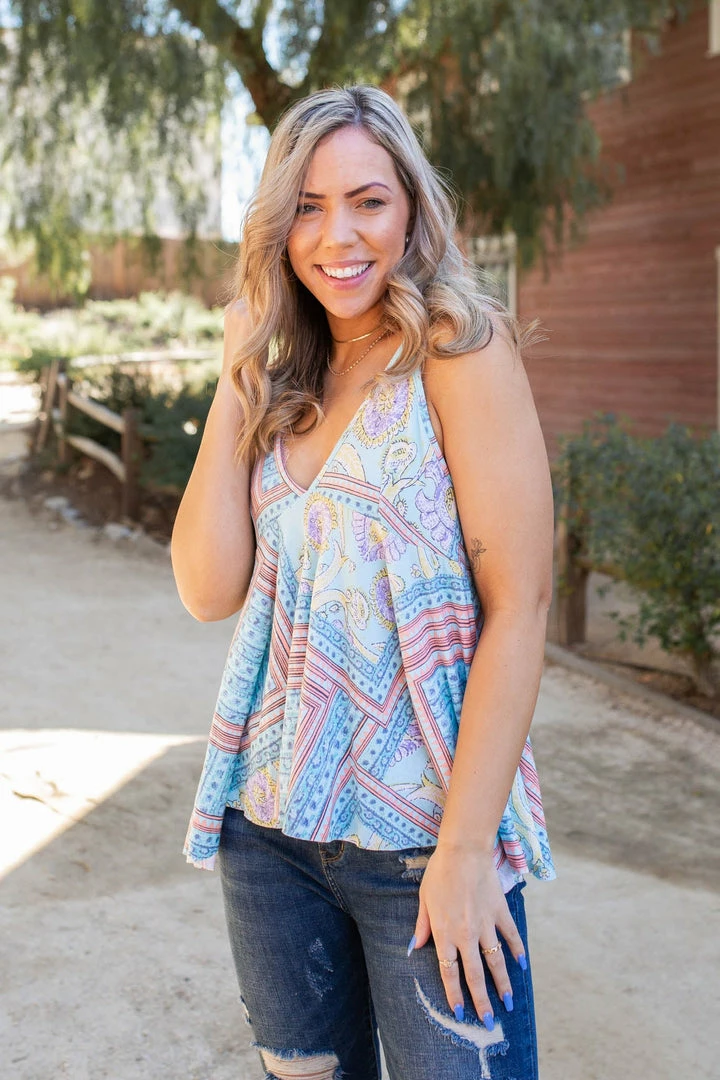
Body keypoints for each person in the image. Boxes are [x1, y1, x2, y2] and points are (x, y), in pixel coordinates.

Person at [172, 83, 556, 1080]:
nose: (337, 235)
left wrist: (465, 852)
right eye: (307, 206)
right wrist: (236, 370)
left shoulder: (457, 350)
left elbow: (520, 607)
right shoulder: (285, 378)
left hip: (425, 837)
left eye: (368, 201)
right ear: (277, 226)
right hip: (271, 834)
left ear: (412, 209)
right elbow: (207, 589)